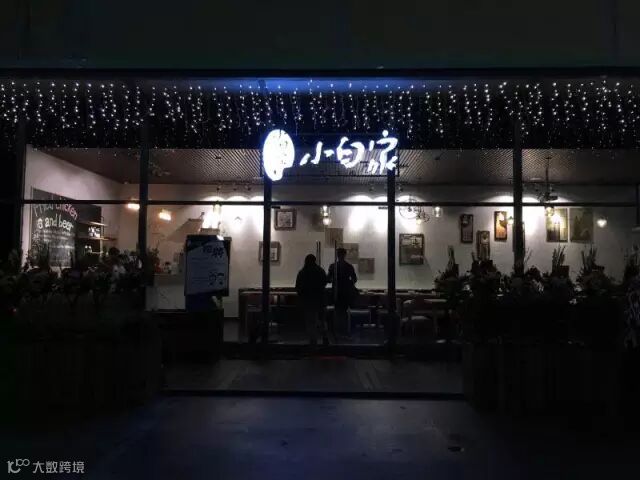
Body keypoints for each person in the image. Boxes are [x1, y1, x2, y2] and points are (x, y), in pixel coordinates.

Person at [295, 254, 329, 345]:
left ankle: (313, 339)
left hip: (308, 300)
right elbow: (325, 282)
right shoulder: (320, 271)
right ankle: (325, 337)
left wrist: (302, 296)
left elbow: (298, 287)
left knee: (311, 321)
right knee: (322, 320)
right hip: (320, 299)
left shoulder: (302, 272)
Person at [327, 247, 358, 334]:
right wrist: (348, 283)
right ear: (344, 255)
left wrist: (334, 280)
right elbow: (354, 279)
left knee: (338, 311)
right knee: (343, 312)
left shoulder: (333, 266)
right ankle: (343, 330)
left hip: (337, 292)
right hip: (345, 292)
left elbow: (328, 279)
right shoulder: (348, 266)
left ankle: (338, 330)